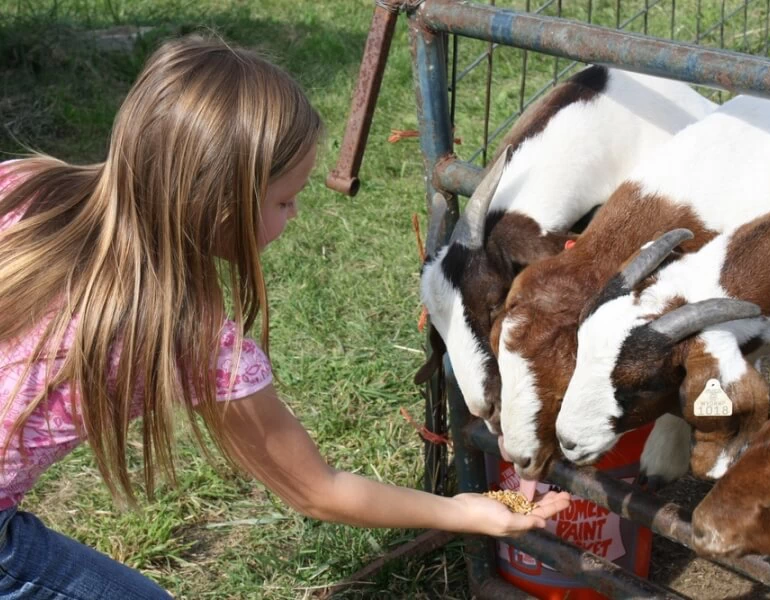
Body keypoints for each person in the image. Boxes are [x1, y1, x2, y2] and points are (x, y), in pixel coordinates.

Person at [0, 36, 570, 598]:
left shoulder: (20, 186)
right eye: (284, 200)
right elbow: (318, 490)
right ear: (219, 205)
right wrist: (462, 511)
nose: (295, 214)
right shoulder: (189, 337)